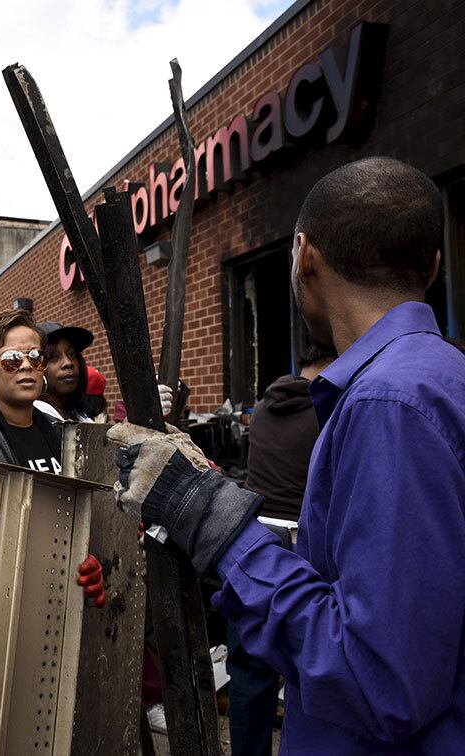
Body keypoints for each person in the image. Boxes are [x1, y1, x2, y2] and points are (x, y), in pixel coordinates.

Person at [110, 157, 464, 754]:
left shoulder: (390, 403)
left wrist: (222, 529)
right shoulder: (435, 378)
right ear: (431, 266)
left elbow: (379, 681)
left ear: (303, 257)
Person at [0, 308, 106, 607]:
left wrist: (88, 559)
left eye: (36, 357)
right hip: (5, 597)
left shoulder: (61, 433)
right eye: (13, 359)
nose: (26, 366)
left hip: (62, 589)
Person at [225, 345, 335, 756]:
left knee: (249, 674)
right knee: (311, 668)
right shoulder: (330, 406)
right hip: (297, 546)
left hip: (250, 540)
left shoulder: (266, 404)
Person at [244, 345, 336, 521]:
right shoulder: (326, 412)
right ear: (332, 368)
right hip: (298, 525)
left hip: (252, 519)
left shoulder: (261, 407)